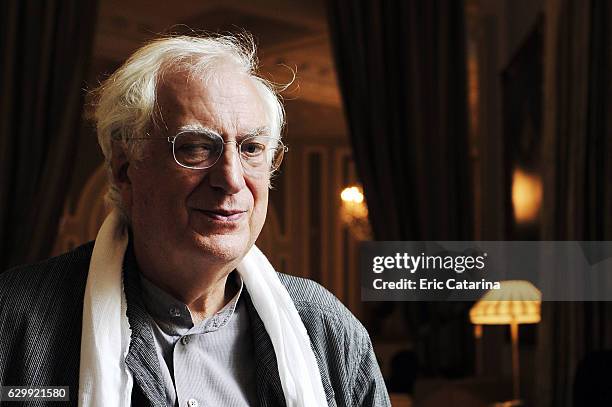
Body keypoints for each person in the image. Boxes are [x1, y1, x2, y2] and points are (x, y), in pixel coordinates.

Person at [0, 34, 390, 407]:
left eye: (252, 148)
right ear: (125, 168)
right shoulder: (16, 317)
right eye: (197, 147)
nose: (232, 179)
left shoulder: (325, 327)